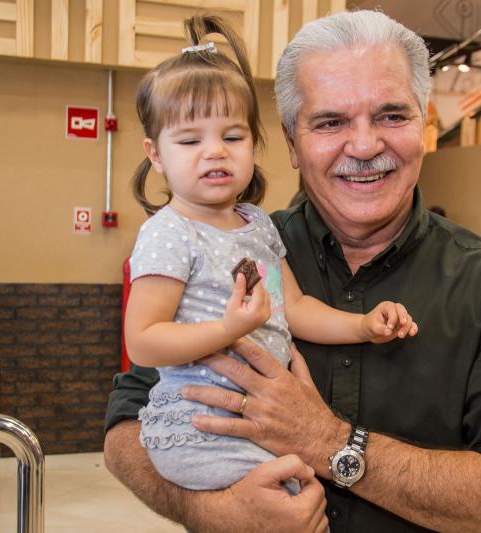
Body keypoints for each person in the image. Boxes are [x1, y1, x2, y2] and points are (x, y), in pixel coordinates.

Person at [104, 10, 481, 533]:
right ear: (290, 143)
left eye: (391, 116)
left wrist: (327, 441)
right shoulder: (229, 248)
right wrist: (217, 511)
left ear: (424, 127)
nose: (365, 146)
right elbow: (125, 429)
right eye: (331, 122)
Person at [125, 16, 417, 496]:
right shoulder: (169, 232)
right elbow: (143, 341)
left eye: (232, 137)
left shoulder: (257, 224)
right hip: (202, 427)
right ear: (155, 154)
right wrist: (228, 329)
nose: (215, 152)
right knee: (295, 497)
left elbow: (294, 309)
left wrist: (362, 326)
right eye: (191, 140)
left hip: (260, 423)